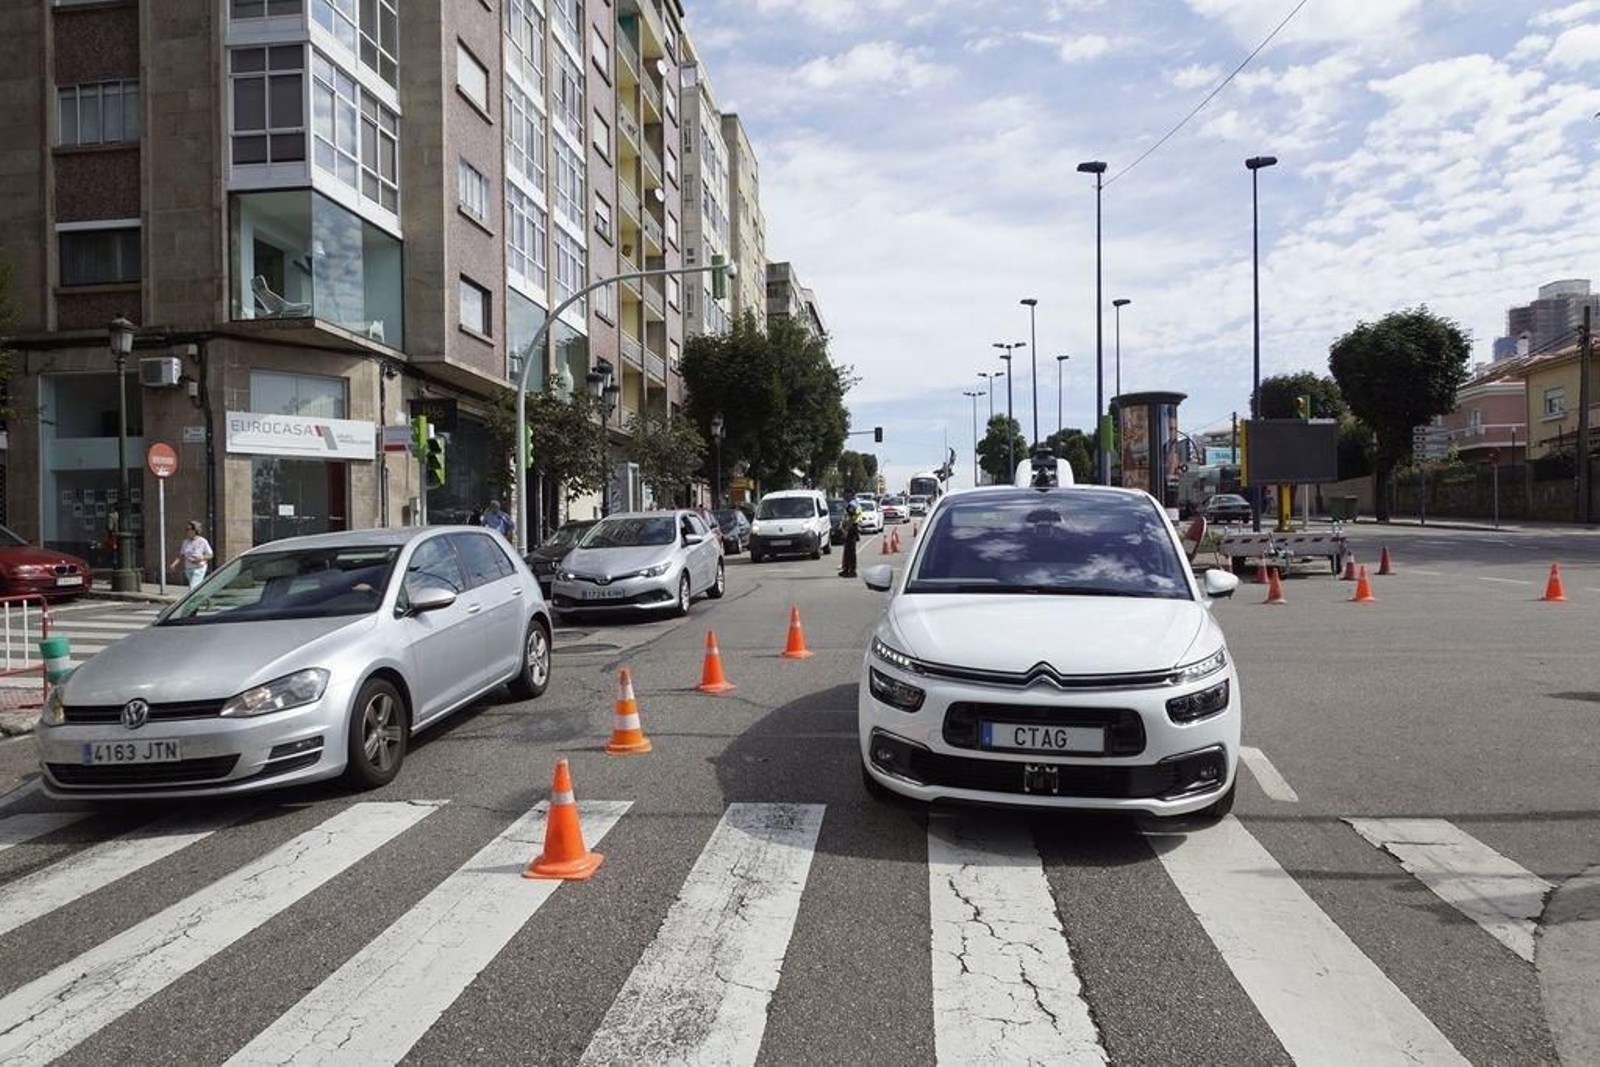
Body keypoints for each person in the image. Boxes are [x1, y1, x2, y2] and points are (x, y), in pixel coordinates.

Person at [169, 521, 214, 589]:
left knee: (192, 588)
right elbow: (181, 555)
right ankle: (204, 598)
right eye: (186, 529)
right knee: (196, 588)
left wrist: (201, 558)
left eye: (189, 529)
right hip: (189, 569)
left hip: (199, 568)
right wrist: (174, 564)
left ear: (195, 530)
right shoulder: (186, 542)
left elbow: (210, 555)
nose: (187, 531)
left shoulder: (202, 541)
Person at [838, 502, 861, 578]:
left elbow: (852, 517)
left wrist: (847, 528)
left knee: (851, 551)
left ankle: (852, 571)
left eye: (845, 494)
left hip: (851, 529)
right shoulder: (850, 504)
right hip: (850, 528)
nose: (844, 496)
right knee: (847, 551)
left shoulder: (852, 505)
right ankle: (846, 569)